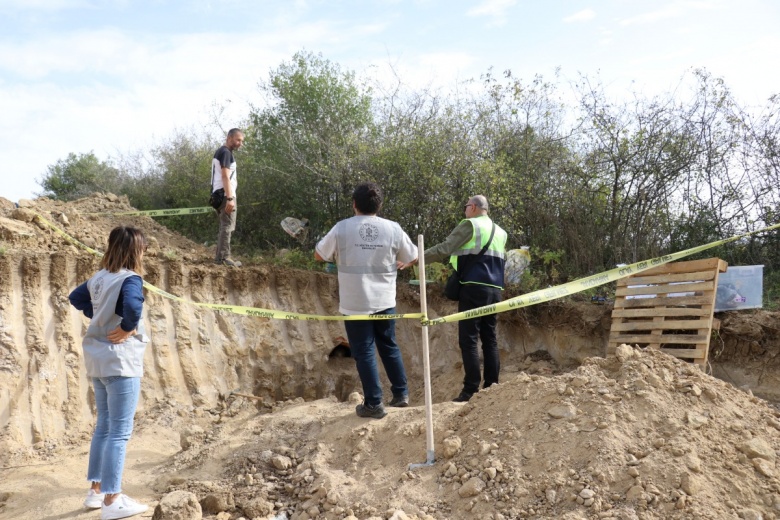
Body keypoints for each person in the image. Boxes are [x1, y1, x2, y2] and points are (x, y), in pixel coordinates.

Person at [315, 182, 418, 419]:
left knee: (364, 351)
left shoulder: (342, 228)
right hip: (385, 300)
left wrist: (338, 256)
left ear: (354, 204)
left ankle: (373, 403)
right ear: (379, 205)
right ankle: (401, 395)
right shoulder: (393, 228)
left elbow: (319, 254)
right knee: (388, 345)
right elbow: (413, 256)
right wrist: (401, 262)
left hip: (355, 302)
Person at [69, 226, 150, 520]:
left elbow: (76, 298)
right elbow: (131, 305)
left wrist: (100, 317)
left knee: (103, 426)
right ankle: (113, 500)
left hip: (98, 361)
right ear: (135, 250)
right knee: (119, 432)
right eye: (143, 248)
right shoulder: (131, 279)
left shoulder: (99, 278)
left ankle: (96, 491)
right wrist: (127, 327)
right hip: (121, 362)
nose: (145, 252)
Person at [421, 195, 507, 402]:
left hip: (473, 287)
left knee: (468, 339)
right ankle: (492, 386)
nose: (464, 210)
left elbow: (445, 248)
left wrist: (418, 258)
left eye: (466, 206)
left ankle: (470, 390)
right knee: (490, 338)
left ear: (475, 207)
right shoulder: (501, 232)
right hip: (495, 289)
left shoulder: (470, 225)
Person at [211, 128, 245, 267]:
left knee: (225, 225)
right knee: (227, 225)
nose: (240, 143)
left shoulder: (221, 151)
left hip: (219, 194)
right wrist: (230, 198)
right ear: (229, 138)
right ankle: (224, 258)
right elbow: (225, 176)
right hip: (225, 195)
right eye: (238, 140)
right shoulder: (225, 152)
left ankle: (220, 257)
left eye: (241, 141)